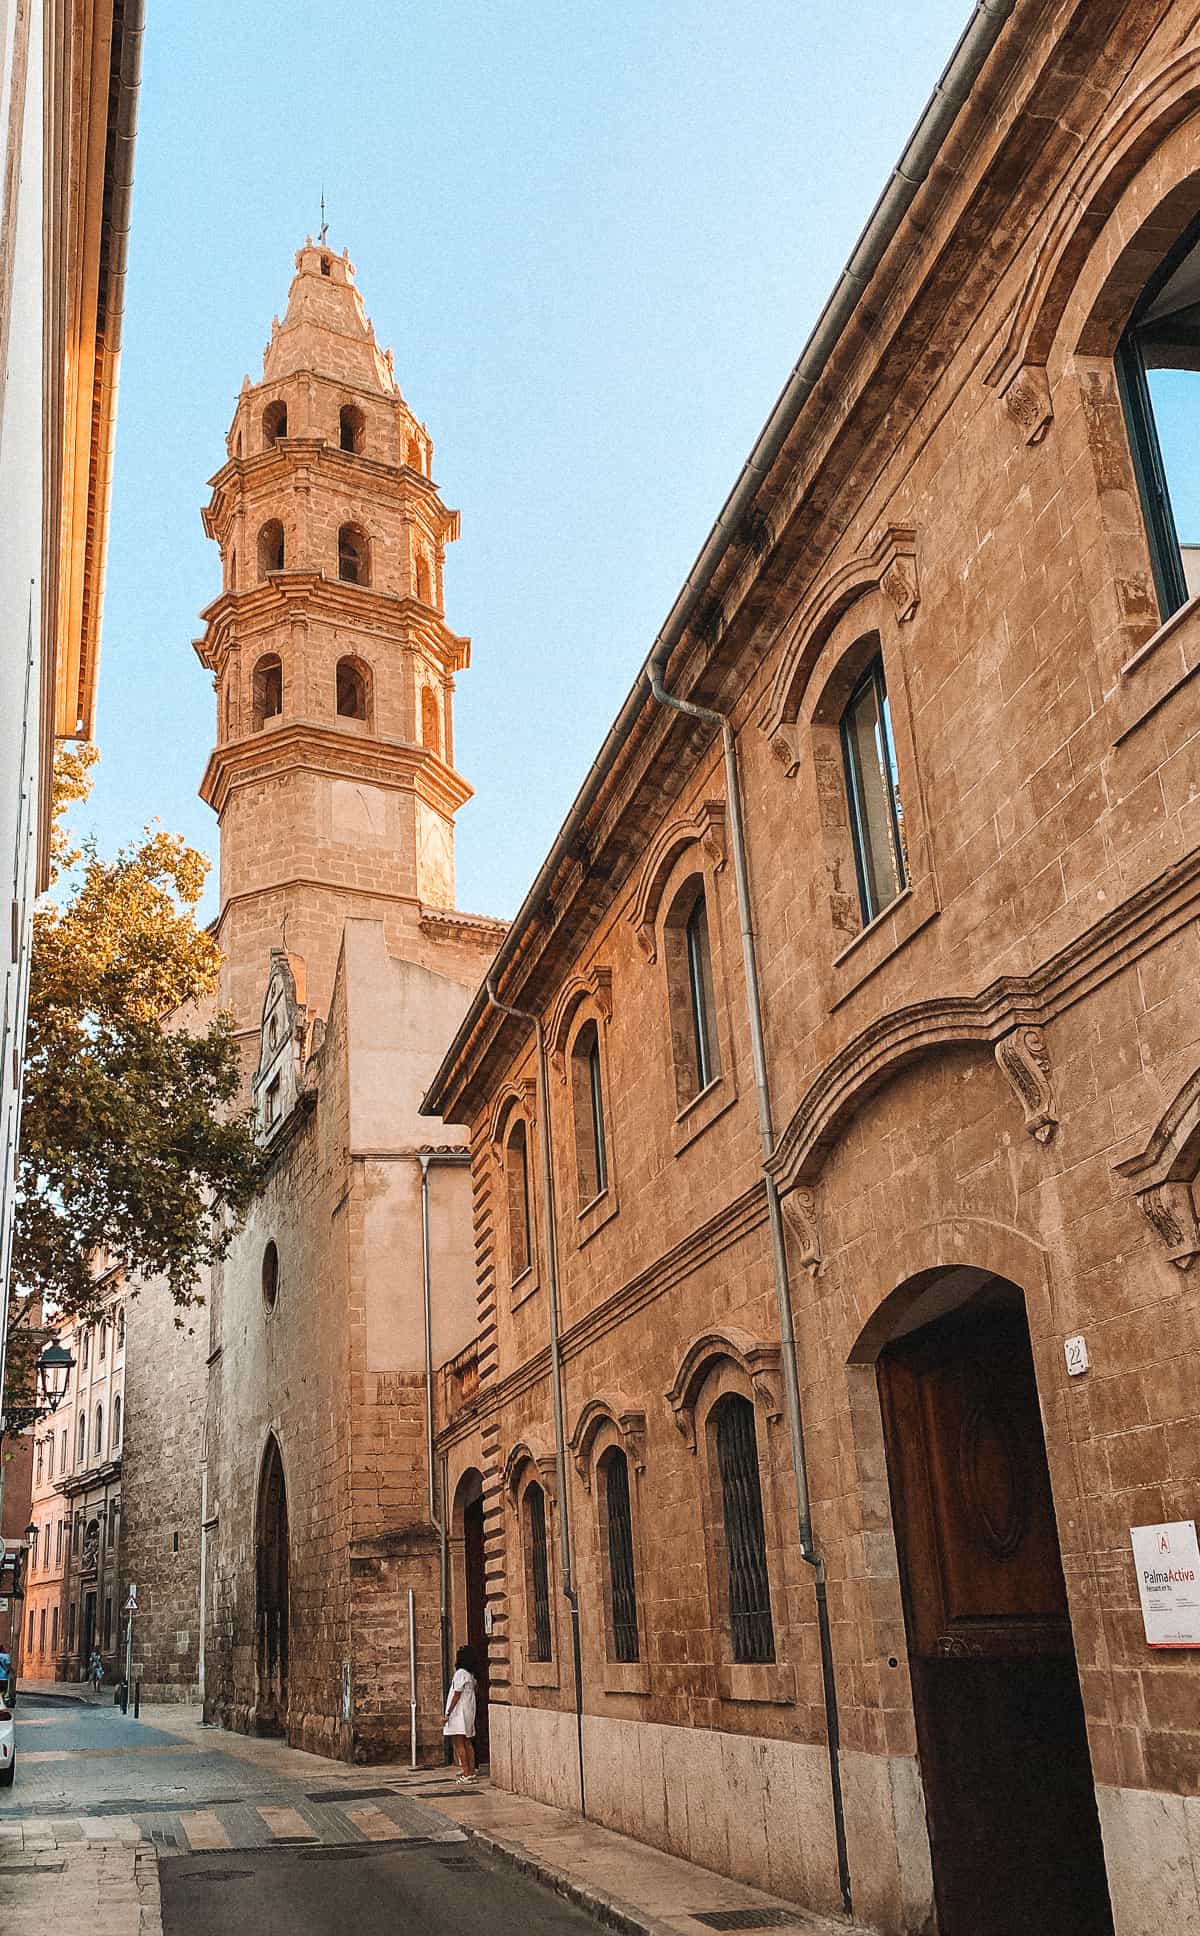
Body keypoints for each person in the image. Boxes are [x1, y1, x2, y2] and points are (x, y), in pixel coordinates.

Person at [442, 1644, 478, 1782]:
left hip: (459, 1713)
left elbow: (456, 1694)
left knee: (459, 1742)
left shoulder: (460, 1673)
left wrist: (448, 1713)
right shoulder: (470, 1675)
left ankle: (466, 1772)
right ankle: (470, 1769)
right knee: (467, 1741)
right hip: (468, 1711)